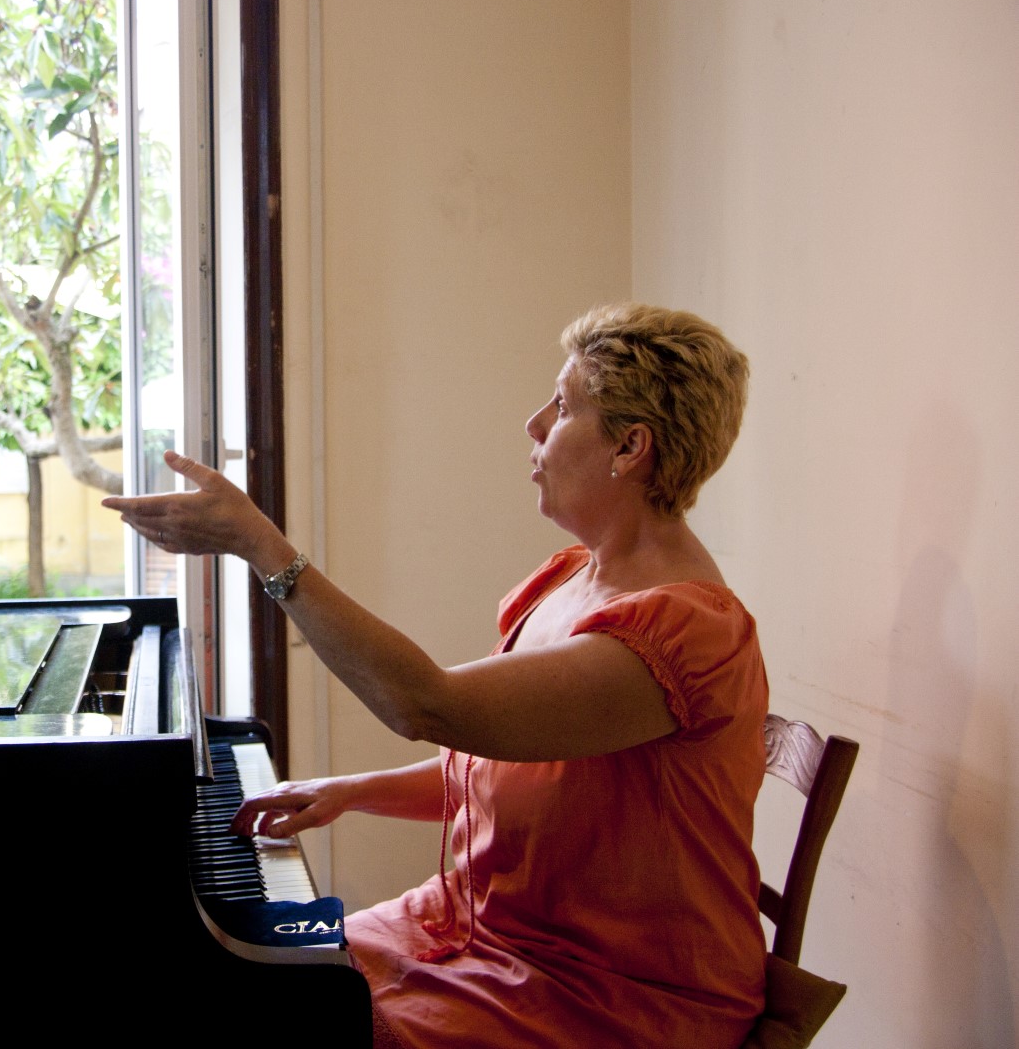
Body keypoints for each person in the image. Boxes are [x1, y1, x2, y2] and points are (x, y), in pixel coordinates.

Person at [103, 302, 767, 1048]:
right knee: (265, 988)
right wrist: (351, 791)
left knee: (284, 1020)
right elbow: (506, 764)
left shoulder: (683, 633)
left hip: (607, 991)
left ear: (631, 447)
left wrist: (265, 549)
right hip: (474, 930)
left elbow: (428, 706)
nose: (534, 425)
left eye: (562, 406)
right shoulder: (572, 578)